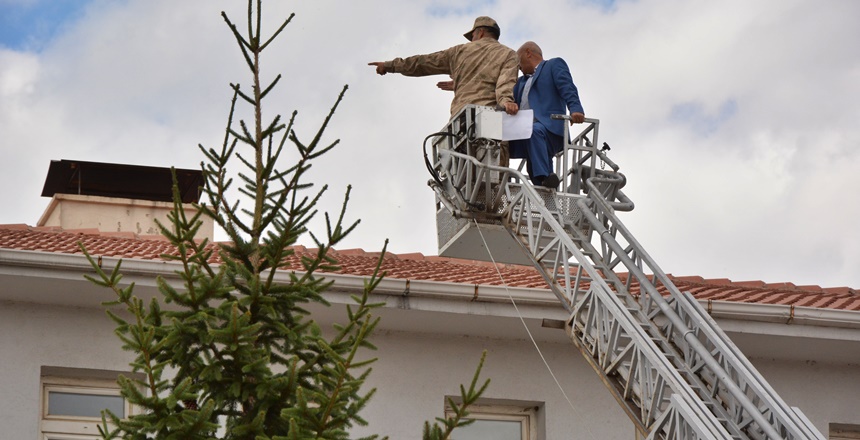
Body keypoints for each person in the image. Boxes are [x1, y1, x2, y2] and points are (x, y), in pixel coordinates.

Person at [368, 16, 519, 117]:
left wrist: (389, 66)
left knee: (458, 164)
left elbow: (422, 63)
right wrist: (506, 102)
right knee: (494, 163)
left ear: (480, 33)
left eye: (472, 36)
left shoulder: (459, 52)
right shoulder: (509, 54)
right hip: (490, 119)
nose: (472, 40)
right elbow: (505, 83)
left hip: (461, 120)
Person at [509, 41, 585, 189]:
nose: (517, 67)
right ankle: (546, 183)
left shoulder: (553, 65)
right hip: (526, 132)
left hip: (549, 126)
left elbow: (567, 86)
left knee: (533, 131)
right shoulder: (519, 82)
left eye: (518, 61)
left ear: (528, 53)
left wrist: (576, 109)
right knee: (495, 140)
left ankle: (543, 177)